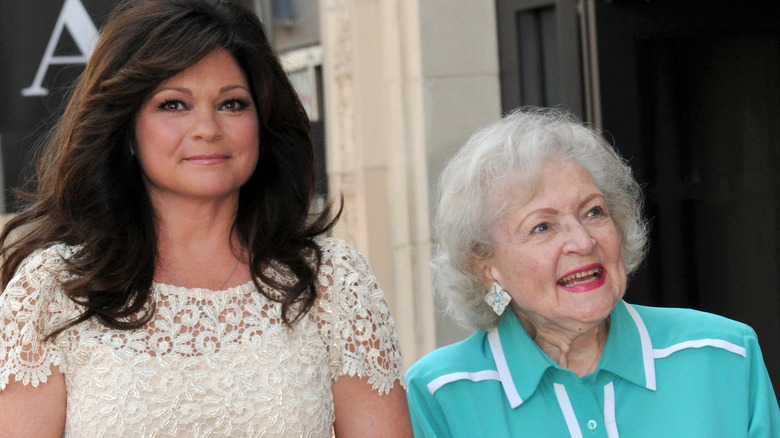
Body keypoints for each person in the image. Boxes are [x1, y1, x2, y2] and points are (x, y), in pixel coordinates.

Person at [0, 0, 412, 436]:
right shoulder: (54, 288)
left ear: (262, 121)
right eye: (174, 105)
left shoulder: (333, 283)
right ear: (127, 129)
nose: (207, 128)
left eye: (232, 104)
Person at [405, 107, 780, 437]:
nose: (582, 242)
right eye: (542, 227)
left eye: (593, 212)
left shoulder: (723, 354)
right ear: (485, 266)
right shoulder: (441, 394)